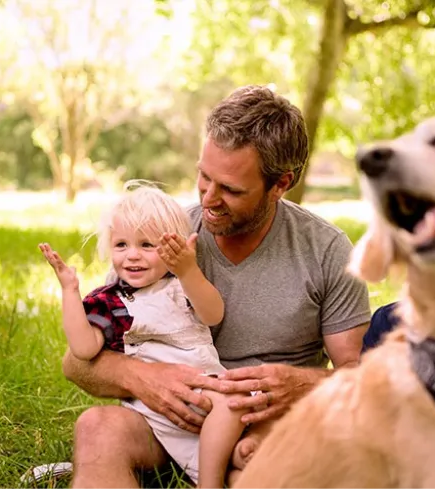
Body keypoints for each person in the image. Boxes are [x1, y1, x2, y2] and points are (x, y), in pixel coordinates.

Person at [56, 85, 375, 489]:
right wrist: (140, 377)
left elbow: (358, 375)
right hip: (169, 425)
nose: (208, 198)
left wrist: (301, 384)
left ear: (281, 184)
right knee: (97, 428)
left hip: (266, 425)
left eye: (231, 189)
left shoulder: (326, 250)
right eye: (203, 177)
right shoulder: (157, 235)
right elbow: (77, 361)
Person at [38, 183, 249, 489]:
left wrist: (189, 270)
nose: (132, 256)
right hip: (153, 412)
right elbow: (84, 349)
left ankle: (217, 469)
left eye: (147, 245)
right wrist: (70, 292)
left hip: (206, 397)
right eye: (121, 245)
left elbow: (213, 314)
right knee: (232, 407)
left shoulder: (182, 286)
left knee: (237, 409)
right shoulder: (112, 301)